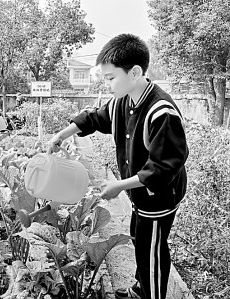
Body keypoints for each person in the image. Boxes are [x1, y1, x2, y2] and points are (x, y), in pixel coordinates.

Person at [48, 34, 188, 299]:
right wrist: (61, 136)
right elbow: (95, 118)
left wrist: (118, 186)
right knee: (139, 237)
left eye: (111, 78)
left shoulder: (161, 112)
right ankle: (140, 287)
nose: (108, 84)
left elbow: (162, 168)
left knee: (152, 250)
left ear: (134, 72)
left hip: (158, 196)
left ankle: (152, 293)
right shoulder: (123, 100)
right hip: (140, 193)